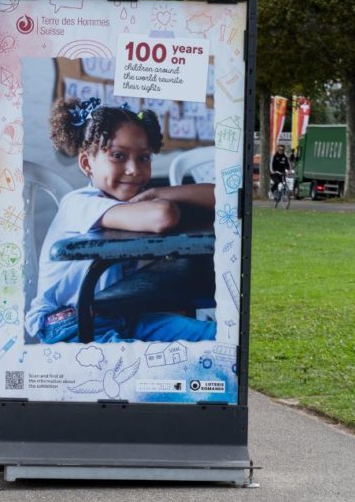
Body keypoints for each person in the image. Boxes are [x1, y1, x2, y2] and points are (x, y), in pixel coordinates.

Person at [26, 98, 216, 344]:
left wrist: (156, 193)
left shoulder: (129, 203)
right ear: (87, 163)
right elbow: (163, 216)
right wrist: (155, 196)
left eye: (143, 158)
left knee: (215, 338)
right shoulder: (79, 203)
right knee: (167, 361)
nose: (134, 169)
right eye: (118, 156)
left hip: (121, 315)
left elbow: (218, 196)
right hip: (70, 325)